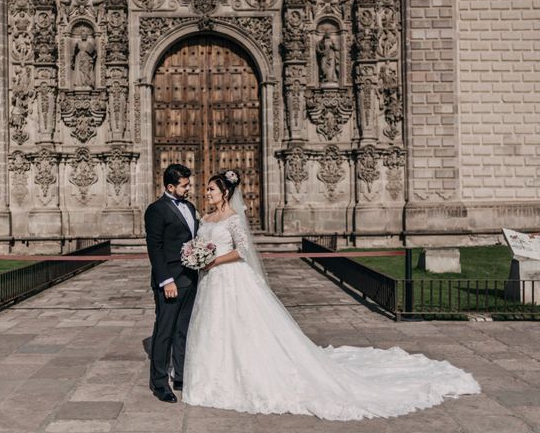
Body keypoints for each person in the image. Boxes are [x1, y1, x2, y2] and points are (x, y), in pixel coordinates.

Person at [182, 170, 481, 420]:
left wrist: (214, 260)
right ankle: (215, 376)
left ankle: (243, 373)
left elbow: (243, 250)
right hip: (211, 282)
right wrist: (198, 258)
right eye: (206, 189)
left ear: (225, 191)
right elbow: (203, 244)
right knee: (216, 329)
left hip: (229, 277)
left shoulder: (234, 218)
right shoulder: (206, 219)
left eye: (211, 189)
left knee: (242, 326)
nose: (206, 193)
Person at [144, 164, 199, 403]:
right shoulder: (156, 210)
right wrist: (166, 281)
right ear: (170, 187)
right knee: (164, 331)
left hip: (190, 278)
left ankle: (180, 375)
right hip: (170, 280)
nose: (189, 189)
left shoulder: (190, 207)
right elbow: (154, 249)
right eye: (185, 185)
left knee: (182, 330)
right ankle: (159, 383)